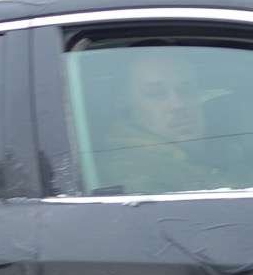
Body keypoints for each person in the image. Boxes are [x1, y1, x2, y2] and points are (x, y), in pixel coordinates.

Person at [90, 50, 228, 195]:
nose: (178, 105)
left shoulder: (228, 150)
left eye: (186, 90)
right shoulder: (133, 173)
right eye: (156, 94)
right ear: (126, 104)